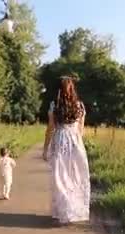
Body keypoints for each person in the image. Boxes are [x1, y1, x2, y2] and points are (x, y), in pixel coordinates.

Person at [42, 77, 90, 225]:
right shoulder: (79, 106)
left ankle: (64, 211)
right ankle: (73, 210)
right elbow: (81, 129)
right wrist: (76, 141)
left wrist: (46, 148)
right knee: (75, 176)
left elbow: (50, 128)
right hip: (75, 141)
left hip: (60, 140)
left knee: (60, 177)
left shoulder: (54, 106)